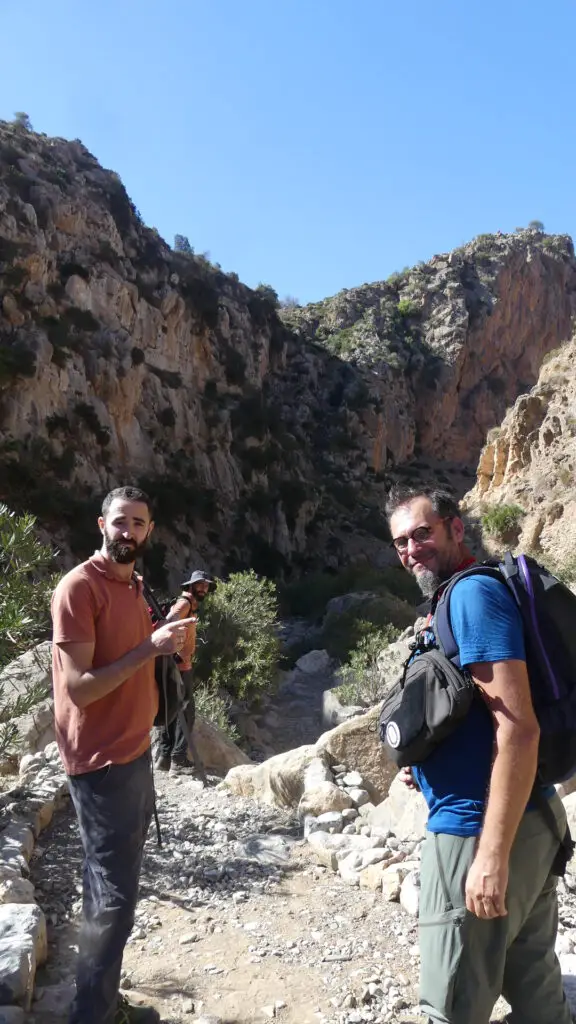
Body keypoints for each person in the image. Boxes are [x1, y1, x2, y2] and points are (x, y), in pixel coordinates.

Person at [385, 484, 572, 1024]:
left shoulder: (471, 596)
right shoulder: (454, 598)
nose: (412, 549)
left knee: (450, 1007)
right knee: (536, 991)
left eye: (423, 533)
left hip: (480, 830)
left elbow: (520, 730)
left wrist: (490, 856)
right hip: (529, 821)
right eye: (401, 542)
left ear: (455, 528)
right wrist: (429, 765)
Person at [51, 485, 195, 1024]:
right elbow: (81, 687)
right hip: (102, 761)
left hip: (133, 752)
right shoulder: (79, 589)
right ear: (101, 524)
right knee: (112, 897)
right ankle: (93, 1014)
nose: (127, 532)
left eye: (138, 523)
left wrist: (170, 642)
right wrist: (149, 648)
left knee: (115, 888)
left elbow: (141, 658)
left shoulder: (134, 585)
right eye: (119, 521)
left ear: (149, 531)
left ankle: (101, 1000)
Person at [153, 569, 215, 776]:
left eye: (206, 586)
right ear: (191, 586)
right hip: (179, 666)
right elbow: (168, 621)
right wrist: (175, 652)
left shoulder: (189, 604)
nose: (204, 589)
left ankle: (164, 757)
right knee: (187, 712)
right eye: (200, 585)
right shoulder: (185, 603)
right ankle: (178, 759)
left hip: (176, 664)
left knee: (170, 709)